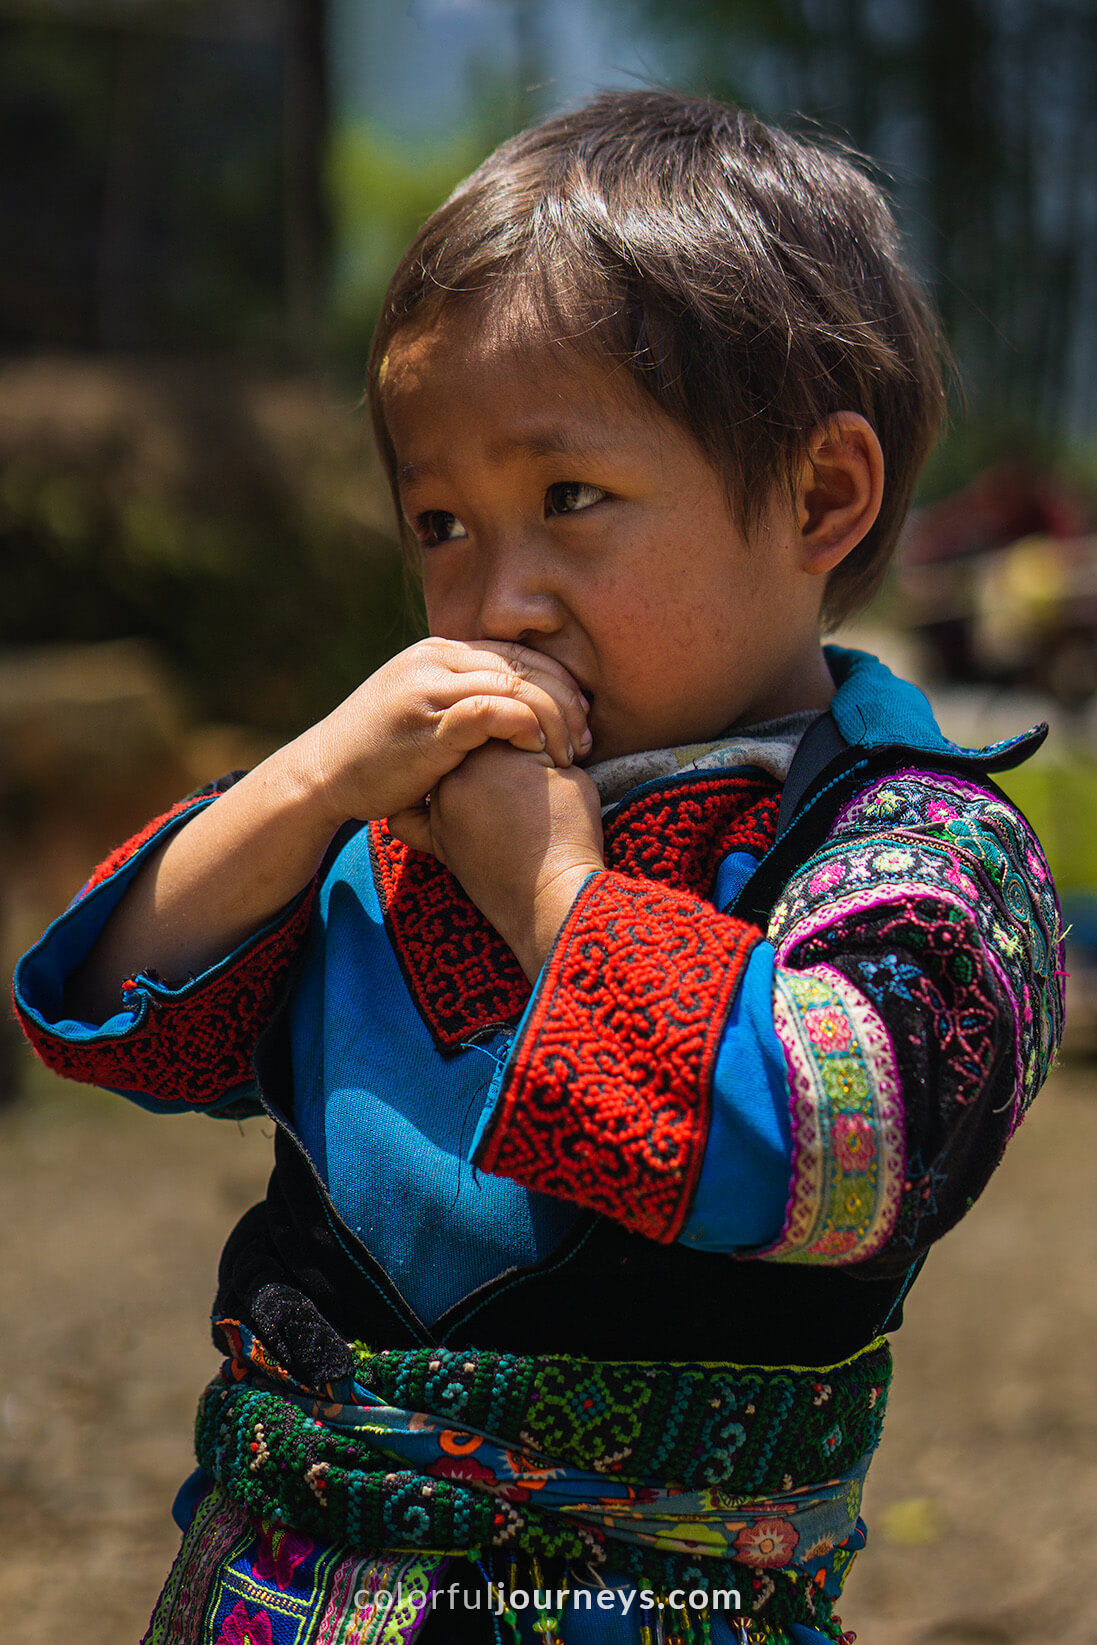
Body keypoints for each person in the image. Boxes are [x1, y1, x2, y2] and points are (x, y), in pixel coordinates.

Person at [14, 89, 1064, 1645]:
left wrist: (552, 895)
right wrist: (311, 775)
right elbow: (115, 1011)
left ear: (818, 498)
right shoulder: (396, 810)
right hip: (274, 1592)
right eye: (439, 521)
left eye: (569, 500)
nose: (495, 599)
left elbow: (844, 1155)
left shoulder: (923, 852)